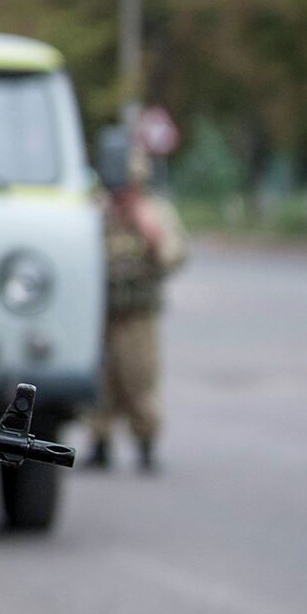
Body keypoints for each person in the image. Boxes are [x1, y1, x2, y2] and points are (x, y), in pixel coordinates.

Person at [87, 129, 188, 473]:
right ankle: (98, 443)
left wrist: (148, 231)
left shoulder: (154, 211)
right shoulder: (96, 211)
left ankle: (146, 443)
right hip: (100, 313)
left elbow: (174, 256)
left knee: (140, 380)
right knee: (100, 382)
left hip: (138, 315)